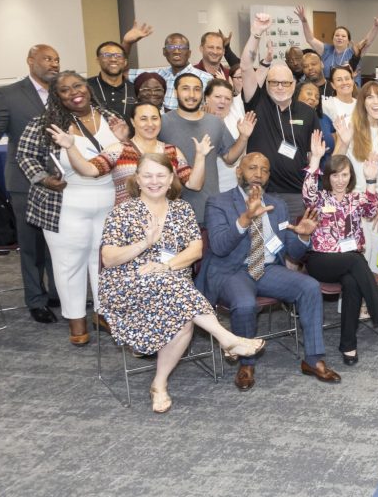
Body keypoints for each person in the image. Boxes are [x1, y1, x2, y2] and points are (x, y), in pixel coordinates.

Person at [97, 154, 266, 413]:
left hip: (173, 283)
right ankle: (226, 337)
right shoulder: (122, 212)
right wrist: (145, 243)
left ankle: (159, 383)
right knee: (180, 296)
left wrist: (164, 267)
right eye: (148, 175)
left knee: (181, 308)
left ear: (171, 179)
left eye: (161, 175)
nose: (155, 181)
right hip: (128, 285)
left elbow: (196, 250)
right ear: (137, 180)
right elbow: (108, 259)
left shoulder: (182, 209)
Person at [202, 153, 340, 390]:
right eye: (252, 168)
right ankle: (246, 364)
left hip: (266, 268)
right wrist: (245, 218)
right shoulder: (218, 202)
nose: (258, 174)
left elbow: (293, 253)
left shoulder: (278, 206)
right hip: (232, 271)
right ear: (239, 172)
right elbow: (219, 247)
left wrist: (304, 235)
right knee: (245, 303)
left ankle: (314, 360)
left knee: (309, 287)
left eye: (264, 170)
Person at [17, 71, 121, 343]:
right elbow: (25, 155)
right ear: (56, 96)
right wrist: (44, 179)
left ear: (87, 87)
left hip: (109, 202)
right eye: (64, 90)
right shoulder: (44, 123)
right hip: (66, 204)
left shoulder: (110, 117)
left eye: (78, 85)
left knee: (104, 262)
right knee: (69, 264)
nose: (74, 92)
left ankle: (103, 313)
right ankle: (76, 320)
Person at [0, 44, 62, 323]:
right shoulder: (9, 94)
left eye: (57, 59)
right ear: (30, 61)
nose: (54, 64)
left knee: (58, 242)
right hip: (26, 182)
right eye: (47, 59)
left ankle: (58, 293)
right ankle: (36, 299)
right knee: (32, 244)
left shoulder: (64, 91)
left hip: (62, 181)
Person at [301, 132, 378, 366]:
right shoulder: (320, 198)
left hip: (349, 262)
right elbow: (307, 194)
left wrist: (370, 181)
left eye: (344, 175)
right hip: (322, 260)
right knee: (357, 261)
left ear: (350, 176)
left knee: (352, 281)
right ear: (328, 177)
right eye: (335, 175)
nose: (339, 180)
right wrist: (315, 161)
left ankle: (348, 345)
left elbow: (370, 212)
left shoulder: (356, 198)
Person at [238, 16, 321, 219]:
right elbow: (246, 66)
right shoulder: (257, 103)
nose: (280, 87)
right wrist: (256, 34)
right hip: (260, 192)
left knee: (295, 247)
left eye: (285, 83)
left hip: (295, 194)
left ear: (294, 84)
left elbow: (313, 155)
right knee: (262, 248)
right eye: (275, 83)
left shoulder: (307, 112)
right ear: (266, 84)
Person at [57, 102, 202, 205]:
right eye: (143, 119)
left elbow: (194, 184)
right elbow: (88, 170)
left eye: (154, 118)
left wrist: (201, 156)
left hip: (167, 222)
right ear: (133, 122)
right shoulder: (118, 150)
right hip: (128, 224)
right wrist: (71, 147)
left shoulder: (172, 152)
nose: (150, 124)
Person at [159, 75, 253, 225]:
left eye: (196, 89)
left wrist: (243, 137)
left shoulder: (215, 122)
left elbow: (229, 157)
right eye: (185, 89)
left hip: (209, 206)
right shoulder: (162, 123)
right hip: (171, 209)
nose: (191, 95)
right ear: (175, 92)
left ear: (202, 94)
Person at [342, 81, 378, 271]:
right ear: (362, 102)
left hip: (375, 198)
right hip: (351, 197)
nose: (376, 101)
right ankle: (358, 294)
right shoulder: (350, 122)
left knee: (375, 246)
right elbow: (336, 163)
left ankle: (370, 293)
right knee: (359, 249)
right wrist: (344, 141)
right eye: (370, 97)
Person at [295, 5, 378, 79]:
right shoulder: (326, 50)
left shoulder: (353, 52)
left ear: (348, 40)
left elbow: (367, 43)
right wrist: (304, 21)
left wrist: (376, 27)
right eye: (337, 35)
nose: (340, 38)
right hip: (330, 93)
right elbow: (310, 39)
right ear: (333, 38)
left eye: (343, 36)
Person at [128, 33, 213, 111]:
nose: (176, 52)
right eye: (171, 47)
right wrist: (127, 43)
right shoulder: (156, 76)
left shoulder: (206, 78)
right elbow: (122, 73)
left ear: (189, 53)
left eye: (182, 48)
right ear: (164, 52)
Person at [205, 75, 248, 192]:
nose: (222, 101)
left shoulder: (237, 113)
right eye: (217, 96)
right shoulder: (198, 120)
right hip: (210, 186)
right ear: (206, 98)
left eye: (228, 98)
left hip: (239, 186)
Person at [87, 41, 135, 118]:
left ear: (125, 62)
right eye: (107, 55)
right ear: (98, 60)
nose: (113, 59)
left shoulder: (135, 89)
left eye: (118, 56)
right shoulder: (85, 87)